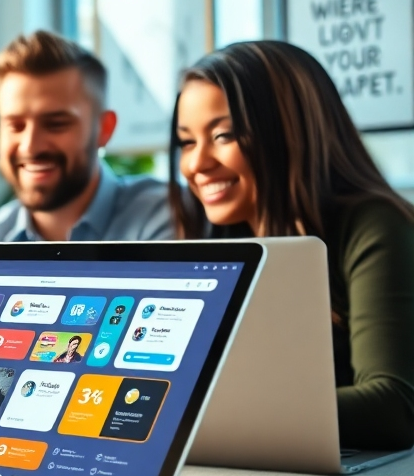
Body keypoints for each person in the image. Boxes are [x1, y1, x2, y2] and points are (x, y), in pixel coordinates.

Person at [171, 40, 414, 450]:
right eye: (187, 142)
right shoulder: (222, 238)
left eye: (223, 135)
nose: (196, 165)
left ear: (288, 130)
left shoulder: (374, 224)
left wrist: (190, 414)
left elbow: (394, 405)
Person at [0, 30, 174, 243]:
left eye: (55, 124)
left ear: (104, 129)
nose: (30, 146)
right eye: (16, 125)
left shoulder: (165, 214)